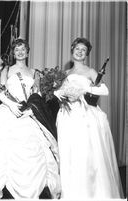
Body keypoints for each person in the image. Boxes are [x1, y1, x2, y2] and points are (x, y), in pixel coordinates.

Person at [0, 38, 61, 199]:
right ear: (13, 53)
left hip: (27, 112)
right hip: (9, 110)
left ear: (28, 52)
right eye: (17, 49)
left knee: (36, 147)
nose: (20, 52)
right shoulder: (6, 69)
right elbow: (0, 90)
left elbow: (37, 94)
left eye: (23, 49)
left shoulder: (34, 72)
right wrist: (10, 105)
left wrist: (31, 110)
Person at [54, 37, 124, 199]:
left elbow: (104, 90)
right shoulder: (65, 73)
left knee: (85, 153)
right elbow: (59, 92)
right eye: (77, 48)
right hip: (68, 116)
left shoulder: (91, 71)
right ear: (72, 50)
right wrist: (61, 94)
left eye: (83, 50)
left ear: (86, 54)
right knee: (69, 152)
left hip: (85, 115)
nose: (79, 52)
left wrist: (83, 92)